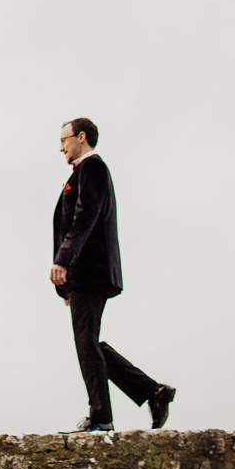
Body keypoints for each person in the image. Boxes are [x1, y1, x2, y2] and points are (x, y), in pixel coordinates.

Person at [51, 117, 174, 432]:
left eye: (64, 139)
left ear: (81, 137)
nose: (60, 146)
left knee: (86, 343)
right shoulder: (84, 172)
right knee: (89, 342)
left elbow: (84, 217)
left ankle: (102, 417)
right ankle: (152, 392)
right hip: (84, 274)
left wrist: (64, 261)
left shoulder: (92, 169)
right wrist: (67, 288)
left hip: (88, 269)